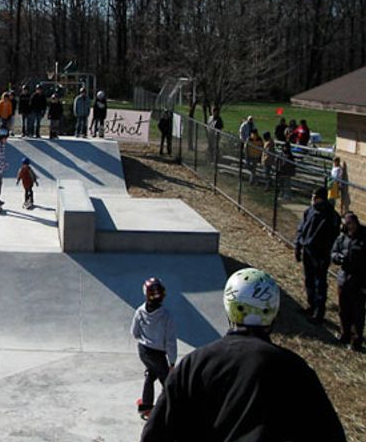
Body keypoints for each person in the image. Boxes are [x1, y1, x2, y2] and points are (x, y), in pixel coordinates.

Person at [140, 268, 346, 442]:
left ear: (229, 309)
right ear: (273, 311)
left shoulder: (194, 365)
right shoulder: (295, 370)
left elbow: (154, 435)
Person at [131, 277, 176, 421]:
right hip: (157, 354)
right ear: (163, 295)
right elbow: (170, 341)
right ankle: (169, 409)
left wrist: (145, 340)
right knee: (167, 382)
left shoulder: (139, 311)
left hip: (143, 351)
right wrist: (172, 362)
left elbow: (134, 332)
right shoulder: (166, 315)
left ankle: (146, 404)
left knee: (151, 375)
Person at [294, 187, 340, 323]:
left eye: (315, 197)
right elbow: (302, 229)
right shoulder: (309, 211)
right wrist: (298, 245)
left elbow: (334, 236)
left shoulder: (331, 215)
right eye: (312, 197)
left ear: (323, 198)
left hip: (321, 253)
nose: (312, 199)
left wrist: (327, 250)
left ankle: (319, 312)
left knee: (319, 282)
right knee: (309, 279)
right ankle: (311, 305)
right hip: (308, 250)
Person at [331, 212, 366, 351]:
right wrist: (337, 258)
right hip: (344, 279)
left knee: (357, 312)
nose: (349, 227)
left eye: (351, 223)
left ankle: (356, 339)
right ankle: (344, 333)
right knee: (343, 309)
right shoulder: (342, 238)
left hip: (359, 281)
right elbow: (333, 251)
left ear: (356, 223)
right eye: (346, 224)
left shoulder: (364, 238)